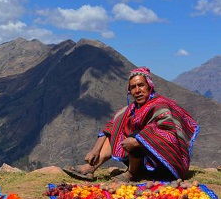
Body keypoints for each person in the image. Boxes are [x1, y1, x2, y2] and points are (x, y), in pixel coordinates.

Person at [63, 67, 200, 182]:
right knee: (119, 128)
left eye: (141, 85)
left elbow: (168, 133)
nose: (137, 90)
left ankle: (133, 174)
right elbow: (110, 127)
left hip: (168, 166)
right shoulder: (132, 109)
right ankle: (90, 168)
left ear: (149, 86)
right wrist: (95, 150)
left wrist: (138, 141)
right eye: (133, 87)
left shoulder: (161, 106)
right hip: (147, 161)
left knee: (136, 136)